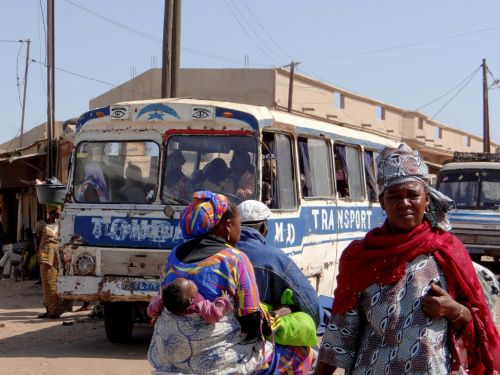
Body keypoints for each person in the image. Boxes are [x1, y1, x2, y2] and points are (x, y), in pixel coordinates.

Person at [315, 144, 500, 375]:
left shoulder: (447, 251)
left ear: (427, 199)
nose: (404, 203)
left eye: (413, 195)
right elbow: (340, 332)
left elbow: (480, 321)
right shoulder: (360, 256)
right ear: (382, 202)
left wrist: (453, 310)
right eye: (394, 196)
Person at [148, 191, 314, 375]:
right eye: (239, 224)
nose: (240, 230)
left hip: (167, 357)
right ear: (228, 226)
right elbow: (251, 322)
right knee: (301, 353)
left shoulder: (174, 256)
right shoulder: (234, 259)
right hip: (217, 361)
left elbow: (161, 307)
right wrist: (277, 316)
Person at [237, 200, 324, 330]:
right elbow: (309, 303)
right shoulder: (275, 257)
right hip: (264, 335)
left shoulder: (219, 252)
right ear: (263, 228)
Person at [34, 204, 73, 319]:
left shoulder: (61, 224)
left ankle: (61, 309)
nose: (60, 213)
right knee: (48, 285)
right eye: (58, 211)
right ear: (51, 212)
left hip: (61, 257)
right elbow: (36, 240)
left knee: (60, 284)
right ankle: (51, 310)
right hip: (46, 257)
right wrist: (39, 254)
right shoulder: (41, 224)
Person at [147, 277, 232, 323]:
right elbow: (214, 314)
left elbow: (151, 312)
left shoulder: (163, 300)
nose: (191, 280)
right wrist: (223, 300)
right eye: (190, 283)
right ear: (191, 300)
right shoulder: (198, 304)